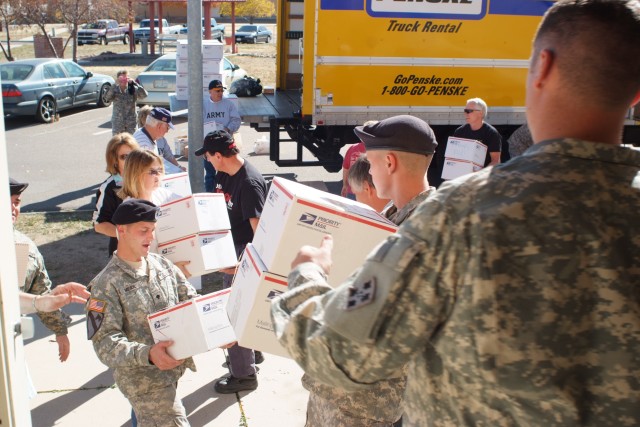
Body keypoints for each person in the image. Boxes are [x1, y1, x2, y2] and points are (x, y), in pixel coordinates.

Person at [270, 1, 640, 425]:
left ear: (543, 68)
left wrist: (305, 278)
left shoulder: (460, 214)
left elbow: (338, 354)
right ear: (636, 92)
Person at [281, 115, 438, 427]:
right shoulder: (398, 218)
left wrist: (309, 274)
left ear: (389, 162)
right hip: (346, 396)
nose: (368, 168)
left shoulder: (419, 234)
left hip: (362, 405)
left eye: (371, 160)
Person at [86, 199, 197, 426]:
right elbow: (104, 343)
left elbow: (190, 301)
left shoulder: (162, 265)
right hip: (144, 382)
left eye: (153, 230)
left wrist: (217, 330)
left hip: (172, 370)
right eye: (144, 231)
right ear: (122, 231)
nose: (151, 237)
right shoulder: (104, 285)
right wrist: (147, 354)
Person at [195, 130, 266, 393]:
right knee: (241, 310)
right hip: (229, 245)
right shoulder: (225, 173)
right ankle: (252, 354)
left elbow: (261, 234)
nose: (207, 160)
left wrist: (242, 267)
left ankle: (244, 375)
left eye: (208, 156)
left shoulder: (249, 184)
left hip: (244, 254)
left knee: (233, 312)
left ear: (218, 155)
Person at [10, 178, 82, 362]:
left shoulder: (24, 246)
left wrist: (60, 329)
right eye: (6, 201)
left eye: (16, 202)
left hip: (9, 344)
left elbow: (39, 292)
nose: (13, 208)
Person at [93, 133, 140, 256]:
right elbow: (99, 224)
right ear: (114, 160)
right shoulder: (109, 187)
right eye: (124, 157)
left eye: (133, 155)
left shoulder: (146, 178)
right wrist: (125, 235)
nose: (130, 160)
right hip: (124, 253)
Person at [202, 79, 241, 193]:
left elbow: (236, 120)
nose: (220, 93)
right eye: (217, 91)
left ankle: (226, 196)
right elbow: (198, 124)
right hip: (209, 144)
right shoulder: (204, 105)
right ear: (210, 91)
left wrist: (228, 129)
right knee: (210, 174)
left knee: (226, 172)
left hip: (224, 144)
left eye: (221, 91)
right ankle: (210, 196)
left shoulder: (228, 104)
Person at [133, 106, 185, 174]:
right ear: (159, 126)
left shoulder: (149, 135)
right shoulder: (143, 144)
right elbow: (149, 172)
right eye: (167, 128)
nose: (167, 131)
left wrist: (178, 168)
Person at [453, 97, 502, 167]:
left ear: (480, 113)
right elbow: (453, 157)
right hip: (463, 174)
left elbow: (495, 161)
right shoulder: (459, 131)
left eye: (469, 111)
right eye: (465, 111)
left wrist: (478, 175)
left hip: (482, 176)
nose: (466, 114)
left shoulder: (491, 133)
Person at [105, 69, 148, 135]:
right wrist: (114, 85)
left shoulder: (132, 89)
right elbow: (107, 98)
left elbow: (144, 95)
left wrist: (135, 83)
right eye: (121, 78)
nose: (123, 80)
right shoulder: (114, 89)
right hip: (118, 123)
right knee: (117, 143)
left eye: (125, 78)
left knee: (132, 142)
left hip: (131, 123)